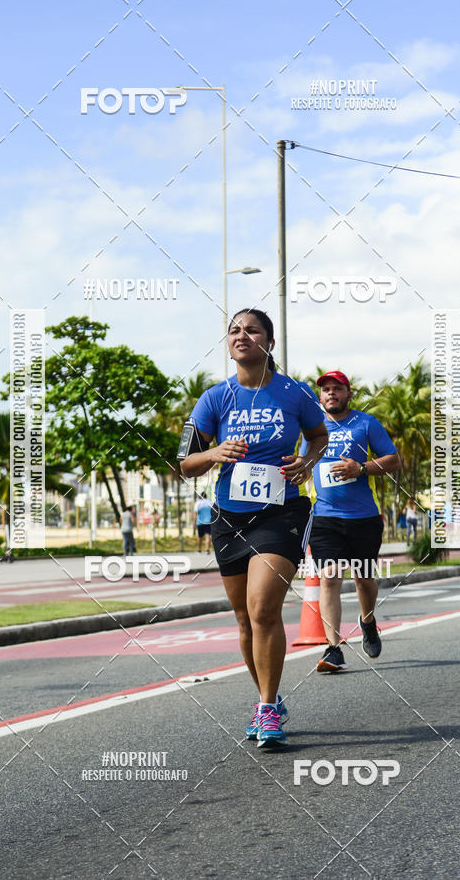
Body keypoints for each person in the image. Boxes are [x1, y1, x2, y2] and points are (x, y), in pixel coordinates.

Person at [179, 307, 328, 747]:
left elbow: (318, 437)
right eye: (234, 330)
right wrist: (216, 452)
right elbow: (185, 464)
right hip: (230, 517)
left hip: (281, 512)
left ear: (269, 343)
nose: (241, 335)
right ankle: (270, 697)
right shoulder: (213, 398)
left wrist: (307, 462)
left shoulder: (294, 393)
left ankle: (266, 711)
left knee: (263, 609)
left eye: (252, 329)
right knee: (244, 620)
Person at [301, 371, 400, 672]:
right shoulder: (313, 431)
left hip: (363, 518)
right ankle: (334, 649)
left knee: (363, 578)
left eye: (337, 389)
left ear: (348, 394)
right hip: (325, 517)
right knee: (329, 577)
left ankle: (367, 621)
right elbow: (304, 467)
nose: (331, 394)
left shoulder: (365, 423)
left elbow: (393, 460)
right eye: (326, 390)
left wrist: (362, 467)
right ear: (320, 398)